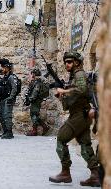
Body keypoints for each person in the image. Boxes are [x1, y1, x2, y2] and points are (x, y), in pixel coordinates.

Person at [49, 51, 100, 187]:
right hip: (79, 115)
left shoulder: (79, 74)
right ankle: (95, 175)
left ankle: (65, 173)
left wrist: (64, 91)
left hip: (80, 116)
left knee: (61, 138)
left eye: (70, 61)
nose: (67, 64)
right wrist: (62, 96)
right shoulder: (73, 78)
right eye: (66, 62)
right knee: (85, 146)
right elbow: (67, 105)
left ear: (77, 62)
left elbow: (82, 90)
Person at [0, 58, 21, 139]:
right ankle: (5, 131)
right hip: (3, 99)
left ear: (7, 68)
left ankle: (9, 132)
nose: (2, 69)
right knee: (2, 115)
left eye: (3, 67)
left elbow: (14, 88)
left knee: (7, 115)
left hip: (8, 99)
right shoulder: (4, 77)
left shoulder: (11, 77)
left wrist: (11, 97)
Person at [25, 68, 50, 136]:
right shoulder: (39, 80)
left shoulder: (37, 82)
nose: (32, 75)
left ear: (34, 74)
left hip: (36, 100)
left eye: (32, 73)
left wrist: (30, 99)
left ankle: (35, 130)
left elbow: (35, 92)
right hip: (37, 99)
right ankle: (44, 127)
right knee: (35, 114)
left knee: (34, 114)